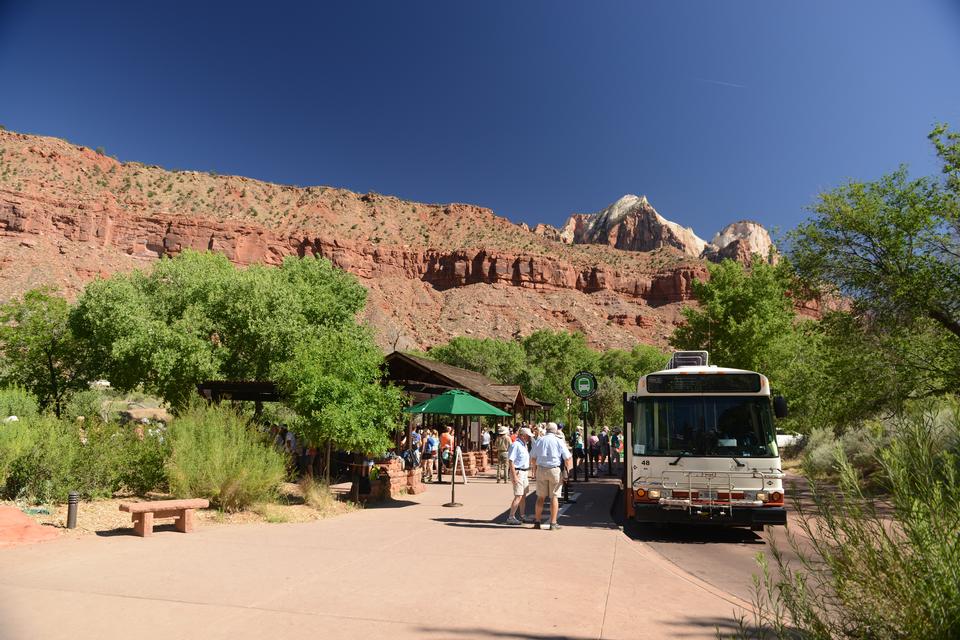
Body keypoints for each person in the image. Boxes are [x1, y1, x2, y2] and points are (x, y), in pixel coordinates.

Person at [530, 422, 573, 530]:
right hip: (554, 470)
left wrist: (534, 471)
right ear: (555, 431)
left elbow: (533, 457)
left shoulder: (540, 440)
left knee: (540, 497)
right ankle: (553, 523)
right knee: (554, 497)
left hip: (541, 469)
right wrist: (566, 473)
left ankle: (537, 522)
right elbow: (567, 458)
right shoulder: (558, 441)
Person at [505, 427, 533, 525]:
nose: (529, 438)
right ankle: (511, 517)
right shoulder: (516, 445)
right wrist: (514, 475)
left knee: (523, 495)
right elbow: (511, 461)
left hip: (523, 472)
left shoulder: (524, 444)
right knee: (518, 495)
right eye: (528, 436)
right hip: (518, 472)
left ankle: (522, 515)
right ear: (522, 436)